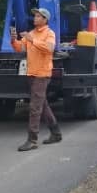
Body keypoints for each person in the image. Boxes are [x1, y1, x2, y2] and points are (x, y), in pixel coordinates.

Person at [12, 8, 61, 152]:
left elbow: (50, 49)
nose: (35, 18)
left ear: (45, 20)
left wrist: (33, 40)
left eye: (38, 16)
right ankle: (56, 133)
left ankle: (32, 140)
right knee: (42, 105)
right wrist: (13, 39)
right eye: (35, 15)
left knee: (35, 107)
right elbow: (20, 48)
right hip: (31, 74)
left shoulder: (49, 33)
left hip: (42, 74)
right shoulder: (31, 33)